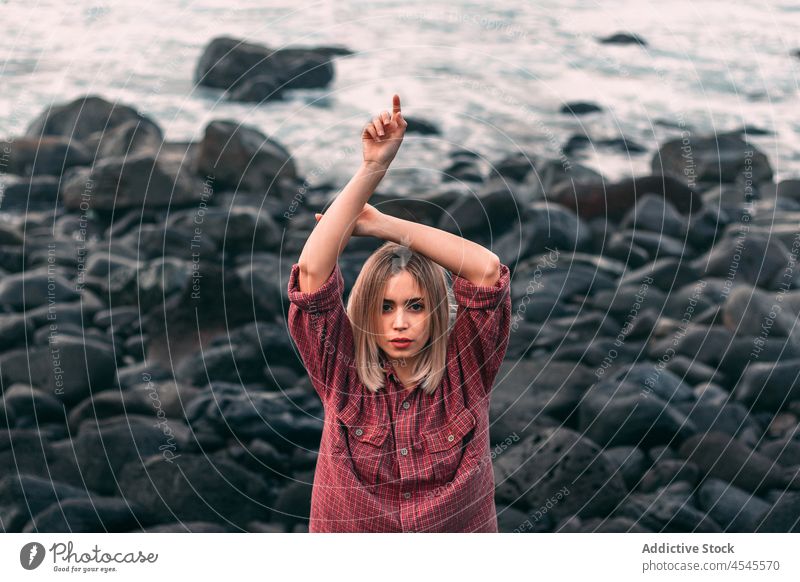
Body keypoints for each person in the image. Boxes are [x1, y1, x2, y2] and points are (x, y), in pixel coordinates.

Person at [287, 94, 512, 532]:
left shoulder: (467, 367)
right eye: (385, 307)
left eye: (415, 306)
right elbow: (312, 275)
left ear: (436, 310)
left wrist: (380, 225)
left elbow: (486, 271)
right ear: (366, 314)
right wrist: (373, 168)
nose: (400, 322)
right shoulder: (341, 371)